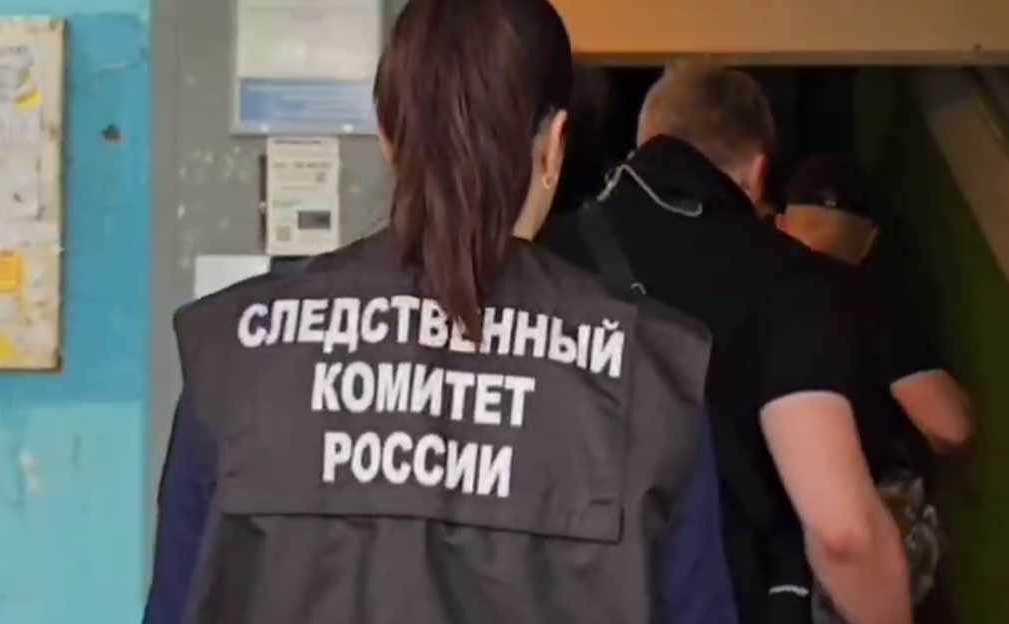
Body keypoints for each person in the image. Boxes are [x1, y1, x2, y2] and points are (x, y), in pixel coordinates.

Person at [145, 1, 738, 623]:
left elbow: (178, 602)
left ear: (387, 136)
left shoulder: (240, 353)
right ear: (554, 145)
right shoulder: (647, 372)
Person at [538, 60, 913, 624]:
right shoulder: (791, 282)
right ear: (758, 172)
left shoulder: (541, 258)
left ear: (645, 140)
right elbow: (842, 533)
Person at [779, 154, 974, 455]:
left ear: (780, 225)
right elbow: (951, 428)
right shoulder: (871, 302)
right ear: (870, 241)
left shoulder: (735, 280)